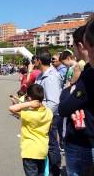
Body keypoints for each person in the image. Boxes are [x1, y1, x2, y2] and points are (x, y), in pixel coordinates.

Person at [58, 19, 94, 176]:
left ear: (82, 46)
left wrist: (69, 89)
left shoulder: (89, 74)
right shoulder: (86, 70)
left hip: (82, 141)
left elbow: (64, 107)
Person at [9, 84, 53, 176]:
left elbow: (11, 108)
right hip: (42, 149)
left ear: (29, 98)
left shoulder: (28, 114)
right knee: (41, 173)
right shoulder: (49, 112)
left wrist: (29, 104)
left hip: (30, 151)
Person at [34, 52, 62, 176]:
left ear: (39, 61)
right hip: (41, 116)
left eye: (35, 60)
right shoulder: (41, 76)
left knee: (51, 145)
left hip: (49, 117)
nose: (33, 62)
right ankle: (46, 170)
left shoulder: (51, 77)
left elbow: (54, 102)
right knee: (44, 144)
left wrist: (43, 116)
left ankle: (54, 171)